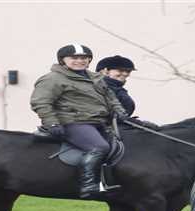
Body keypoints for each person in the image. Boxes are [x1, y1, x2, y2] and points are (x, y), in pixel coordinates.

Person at [30, 44, 129, 199]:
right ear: (63, 60)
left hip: (98, 122)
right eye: (74, 58)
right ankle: (89, 186)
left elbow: (111, 98)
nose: (79, 61)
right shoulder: (53, 79)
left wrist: (121, 113)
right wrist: (52, 123)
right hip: (72, 121)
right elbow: (41, 102)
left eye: (83, 58)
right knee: (99, 147)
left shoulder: (95, 78)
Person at [96, 55, 159, 130]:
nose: (125, 74)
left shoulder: (117, 88)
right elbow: (111, 114)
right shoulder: (98, 87)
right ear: (105, 71)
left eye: (128, 71)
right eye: (120, 70)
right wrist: (140, 124)